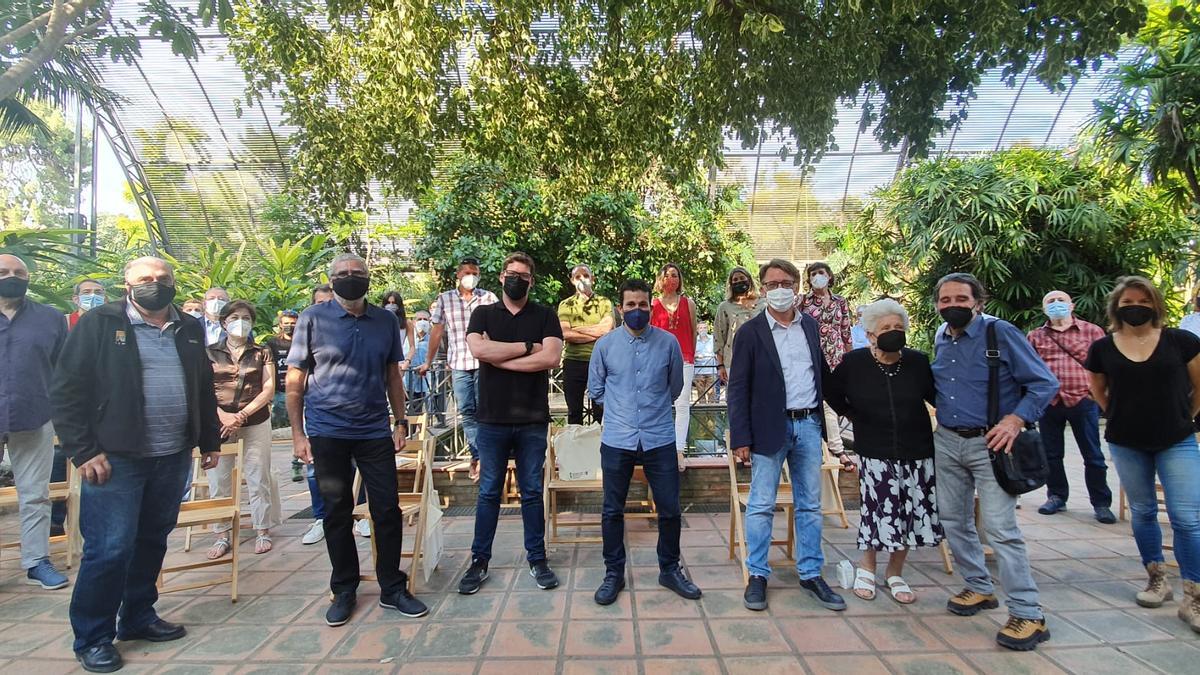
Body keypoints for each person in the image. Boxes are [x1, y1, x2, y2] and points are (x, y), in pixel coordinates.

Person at [52, 256, 221, 673]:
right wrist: (84, 450)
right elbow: (66, 390)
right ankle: (92, 637)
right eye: (145, 279)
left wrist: (208, 440)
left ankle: (138, 616)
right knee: (109, 549)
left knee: (152, 539)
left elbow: (202, 386)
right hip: (115, 459)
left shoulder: (190, 327)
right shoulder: (100, 325)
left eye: (163, 278)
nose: (155, 284)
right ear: (127, 285)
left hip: (172, 454)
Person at [287, 253, 428, 627]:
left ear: (368, 278)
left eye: (358, 273)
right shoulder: (312, 319)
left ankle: (392, 587)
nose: (351, 278)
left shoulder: (384, 320)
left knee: (386, 510)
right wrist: (298, 434)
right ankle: (344, 588)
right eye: (343, 274)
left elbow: (393, 377)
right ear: (331, 279)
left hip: (373, 431)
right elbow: (295, 382)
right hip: (325, 431)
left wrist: (401, 422)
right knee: (336, 512)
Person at [931, 272, 1058, 651]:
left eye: (960, 299)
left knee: (1001, 529)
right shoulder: (942, 337)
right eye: (945, 299)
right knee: (954, 520)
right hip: (949, 442)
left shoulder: (999, 333)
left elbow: (1044, 383)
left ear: (978, 302)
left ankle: (1028, 612)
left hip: (991, 444)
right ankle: (978, 586)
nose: (952, 305)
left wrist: (1014, 419)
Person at [728, 259, 853, 613]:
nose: (779, 289)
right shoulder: (751, 332)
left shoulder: (810, 327)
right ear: (763, 289)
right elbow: (738, 389)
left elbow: (823, 377)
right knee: (762, 504)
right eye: (771, 283)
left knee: (810, 504)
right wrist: (741, 437)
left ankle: (811, 573)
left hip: (808, 425)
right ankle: (757, 575)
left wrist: (851, 410)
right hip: (769, 427)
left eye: (785, 282)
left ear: (797, 287)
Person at [1085, 276, 1200, 632]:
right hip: (1126, 441)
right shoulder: (1103, 347)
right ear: (1116, 308)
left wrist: (1187, 416)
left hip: (1176, 439)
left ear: (1156, 305)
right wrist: (1117, 415)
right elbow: (1097, 389)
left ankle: (1194, 595)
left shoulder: (1181, 341)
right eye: (1128, 302)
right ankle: (1157, 578)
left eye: (1144, 301)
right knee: (1144, 511)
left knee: (1186, 517)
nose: (1136, 307)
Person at [588, 278, 702, 605]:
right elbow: (596, 390)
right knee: (611, 510)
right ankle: (613, 573)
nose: (636, 310)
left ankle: (669, 569)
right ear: (620, 308)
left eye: (641, 305)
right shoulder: (605, 346)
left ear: (649, 305)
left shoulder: (667, 344)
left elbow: (676, 386)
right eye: (630, 305)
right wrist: (621, 410)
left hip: (659, 437)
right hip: (618, 438)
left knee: (669, 509)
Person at [458, 252, 563, 594]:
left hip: (532, 420)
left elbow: (551, 357)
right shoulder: (483, 313)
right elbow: (478, 351)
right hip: (492, 420)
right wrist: (527, 348)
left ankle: (537, 559)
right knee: (488, 492)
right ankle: (479, 561)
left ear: (531, 281)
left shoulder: (545, 315)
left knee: (532, 491)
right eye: (512, 274)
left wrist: (501, 357)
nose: (517, 279)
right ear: (502, 277)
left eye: (524, 276)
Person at [825, 299, 942, 605]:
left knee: (908, 512)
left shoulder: (918, 362)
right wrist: (852, 413)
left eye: (898, 327)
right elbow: (832, 391)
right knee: (878, 510)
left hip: (917, 451)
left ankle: (895, 571)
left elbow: (938, 398)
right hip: (875, 449)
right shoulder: (855, 363)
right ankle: (867, 566)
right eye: (886, 328)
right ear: (871, 334)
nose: (893, 332)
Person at [0, 253, 70, 591]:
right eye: (3, 272)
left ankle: (37, 561)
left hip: (36, 415)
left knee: (35, 494)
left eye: (19, 272)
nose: (12, 276)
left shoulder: (50, 318)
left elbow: (66, 369)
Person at [1027, 290, 1113, 523]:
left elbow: (1104, 366)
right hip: (1050, 402)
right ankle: (1056, 496)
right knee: (1051, 455)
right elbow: (1029, 368)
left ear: (1072, 305)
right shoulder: (1036, 336)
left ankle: (1101, 502)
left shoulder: (1092, 331)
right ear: (1044, 309)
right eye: (1050, 302)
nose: (1056, 304)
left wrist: (1095, 394)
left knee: (1093, 455)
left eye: (1060, 301)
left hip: (1083, 400)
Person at [205, 300, 282, 558]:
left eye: (246, 317)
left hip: (255, 420)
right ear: (224, 322)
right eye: (235, 317)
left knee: (258, 475)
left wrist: (242, 415)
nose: (241, 321)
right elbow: (201, 390)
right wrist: (223, 416)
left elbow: (269, 388)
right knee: (219, 478)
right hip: (219, 423)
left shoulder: (262, 352)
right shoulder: (209, 352)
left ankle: (262, 529)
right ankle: (221, 533)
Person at [421, 257, 499, 480]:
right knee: (467, 411)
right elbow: (437, 331)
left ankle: (485, 457)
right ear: (458, 275)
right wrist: (428, 361)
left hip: (485, 363)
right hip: (459, 363)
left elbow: (498, 329)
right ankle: (478, 455)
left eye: (475, 272)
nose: (470, 276)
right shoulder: (445, 299)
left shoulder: (488, 298)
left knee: (485, 410)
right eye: (466, 272)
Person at [797, 261, 853, 460]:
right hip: (812, 356)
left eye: (820, 273)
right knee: (825, 400)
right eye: (812, 274)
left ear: (829, 276)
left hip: (836, 356)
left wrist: (849, 359)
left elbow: (846, 332)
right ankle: (837, 449)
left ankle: (829, 447)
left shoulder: (840, 301)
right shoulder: (803, 301)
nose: (816, 277)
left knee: (835, 401)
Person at [651, 263, 697, 471]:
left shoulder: (689, 303)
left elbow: (693, 332)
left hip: (685, 358)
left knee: (682, 405)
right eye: (668, 275)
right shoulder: (652, 304)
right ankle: (658, 448)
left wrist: (690, 356)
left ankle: (679, 450)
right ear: (660, 279)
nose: (672, 279)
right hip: (658, 359)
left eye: (675, 275)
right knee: (659, 404)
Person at [300, 285, 335, 544]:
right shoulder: (307, 331)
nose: (324, 307)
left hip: (352, 419)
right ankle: (320, 517)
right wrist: (296, 431)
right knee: (314, 471)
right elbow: (296, 378)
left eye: (329, 302)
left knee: (356, 470)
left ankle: (361, 515)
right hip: (317, 416)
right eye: (319, 302)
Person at [558, 264, 613, 424]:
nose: (582, 279)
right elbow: (565, 334)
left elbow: (606, 330)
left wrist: (578, 329)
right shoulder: (566, 304)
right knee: (574, 412)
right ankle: (576, 447)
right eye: (578, 277)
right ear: (572, 281)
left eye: (586, 276)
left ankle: (599, 447)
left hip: (600, 362)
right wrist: (596, 332)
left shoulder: (604, 302)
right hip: (573, 362)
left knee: (601, 411)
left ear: (593, 279)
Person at [265, 310, 302, 481]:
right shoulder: (272, 343)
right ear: (280, 324)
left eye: (293, 323)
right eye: (286, 323)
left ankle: (297, 464)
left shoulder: (303, 341)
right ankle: (269, 470)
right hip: (279, 392)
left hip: (301, 392)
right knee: (272, 432)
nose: (289, 326)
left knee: (301, 431)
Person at [713, 267, 762, 384]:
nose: (739, 281)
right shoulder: (724, 307)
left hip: (760, 359)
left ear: (749, 280)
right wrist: (720, 366)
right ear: (731, 284)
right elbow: (718, 338)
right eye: (735, 280)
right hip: (733, 360)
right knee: (737, 399)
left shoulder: (763, 304)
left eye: (742, 278)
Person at [404, 310, 432, 415]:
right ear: (414, 322)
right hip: (405, 382)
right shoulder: (407, 338)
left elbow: (432, 359)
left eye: (425, 319)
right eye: (419, 319)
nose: (422, 321)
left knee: (416, 413)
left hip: (421, 383)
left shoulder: (431, 340)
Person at [381, 289, 415, 356]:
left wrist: (407, 361)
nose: (390, 305)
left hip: (399, 361)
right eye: (388, 303)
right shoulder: (378, 321)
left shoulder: (407, 323)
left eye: (393, 303)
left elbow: (412, 347)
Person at [694, 321, 718, 402]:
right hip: (699, 371)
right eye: (700, 328)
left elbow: (718, 351)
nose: (702, 330)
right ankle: (701, 415)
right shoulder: (694, 340)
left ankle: (711, 414)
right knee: (701, 395)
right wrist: (697, 356)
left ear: (707, 329)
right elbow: (690, 354)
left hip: (711, 370)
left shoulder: (713, 339)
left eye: (704, 327)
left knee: (712, 394)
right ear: (697, 330)